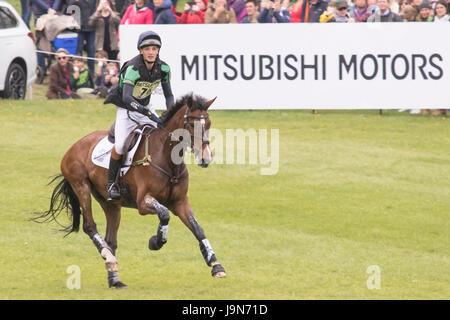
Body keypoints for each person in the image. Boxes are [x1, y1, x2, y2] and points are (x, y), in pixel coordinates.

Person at [103, 31, 175, 201]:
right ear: (141, 51)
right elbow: (128, 98)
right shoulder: (133, 68)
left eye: (154, 48)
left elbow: (169, 95)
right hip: (126, 109)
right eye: (147, 48)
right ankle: (111, 184)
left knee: (165, 134)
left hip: (145, 105)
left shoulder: (163, 68)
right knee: (120, 145)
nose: (151, 52)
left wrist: (170, 115)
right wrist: (147, 113)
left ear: (158, 50)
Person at [31, 0, 60, 83]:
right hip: (40, 14)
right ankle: (41, 71)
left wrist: (54, 9)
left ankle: (53, 70)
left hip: (53, 14)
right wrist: (48, 9)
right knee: (40, 44)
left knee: (53, 42)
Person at [68, 0, 97, 75]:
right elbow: (70, 8)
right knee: (79, 50)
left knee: (91, 50)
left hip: (92, 27)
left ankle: (91, 72)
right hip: (79, 28)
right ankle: (79, 71)